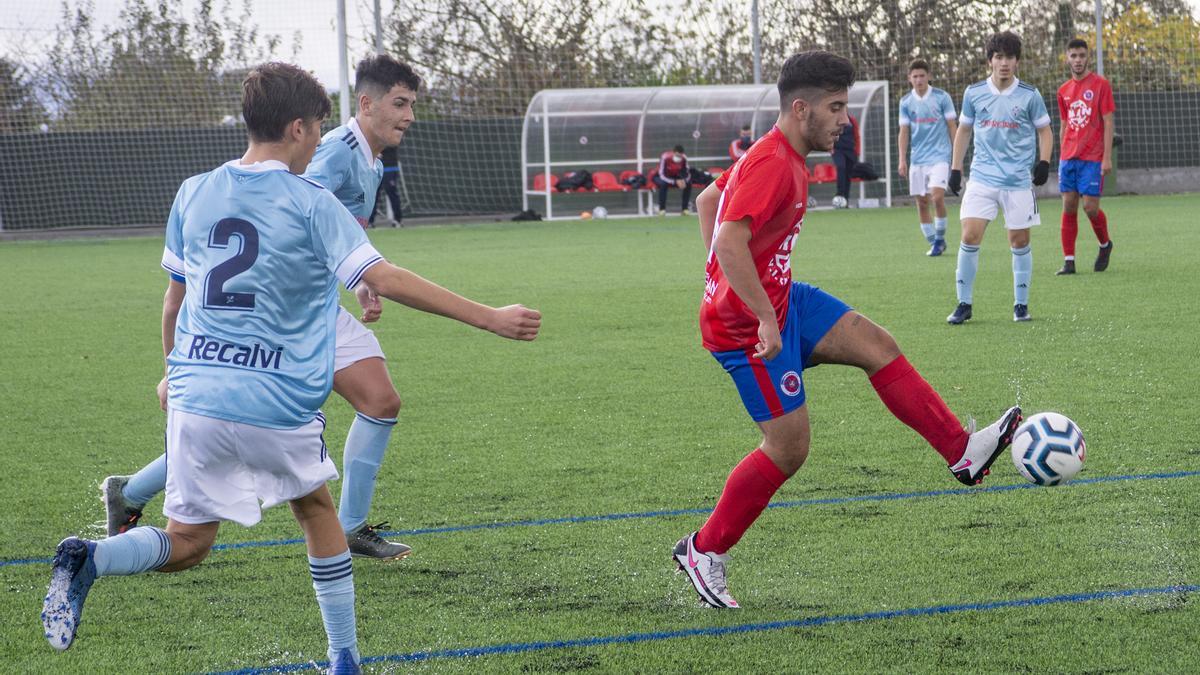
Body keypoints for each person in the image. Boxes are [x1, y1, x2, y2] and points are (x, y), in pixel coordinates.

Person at [40, 62, 540, 669]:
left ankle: (91, 555)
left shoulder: (193, 190)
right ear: (301, 128)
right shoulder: (310, 199)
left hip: (197, 393)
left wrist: (173, 370)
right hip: (274, 396)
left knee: (187, 542)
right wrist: (489, 316)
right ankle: (345, 658)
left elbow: (174, 299)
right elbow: (383, 275)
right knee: (316, 511)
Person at [679, 50, 1021, 609]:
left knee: (877, 346)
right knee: (788, 449)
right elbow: (726, 238)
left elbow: (708, 201)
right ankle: (704, 550)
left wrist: (725, 280)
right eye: (836, 108)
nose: (845, 119)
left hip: (783, 301)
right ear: (800, 108)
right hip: (747, 328)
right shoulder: (771, 164)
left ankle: (962, 453)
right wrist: (752, 307)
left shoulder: (776, 153)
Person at [102, 55, 431, 561]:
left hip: (314, 302)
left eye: (412, 104)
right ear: (364, 104)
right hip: (287, 311)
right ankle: (341, 530)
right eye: (400, 103)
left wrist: (360, 283)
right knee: (255, 414)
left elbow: (338, 237)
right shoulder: (332, 154)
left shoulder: (372, 156)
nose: (409, 115)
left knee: (377, 402)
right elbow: (284, 201)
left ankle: (347, 525)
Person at [947, 31, 1053, 324]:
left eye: (1009, 57)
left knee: (1018, 242)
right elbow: (964, 130)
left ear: (1017, 61)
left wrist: (1043, 162)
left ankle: (1021, 305)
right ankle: (963, 303)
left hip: (1018, 181)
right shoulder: (974, 93)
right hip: (982, 178)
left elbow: (1045, 130)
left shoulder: (1030, 95)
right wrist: (955, 168)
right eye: (998, 57)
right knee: (969, 235)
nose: (1004, 63)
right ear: (990, 61)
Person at [1056, 38, 1115, 275]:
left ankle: (1105, 244)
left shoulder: (1101, 85)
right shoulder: (1063, 90)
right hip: (1068, 158)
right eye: (1073, 56)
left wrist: (1107, 157)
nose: (1078, 60)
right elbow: (1063, 123)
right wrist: (1061, 155)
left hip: (1092, 157)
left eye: (1082, 55)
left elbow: (1108, 122)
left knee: (1090, 208)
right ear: (1067, 58)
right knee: (1069, 205)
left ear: (1087, 57)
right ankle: (1069, 261)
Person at [897, 59, 958, 256]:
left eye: (922, 75)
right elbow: (904, 131)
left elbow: (952, 126)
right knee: (921, 202)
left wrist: (957, 158)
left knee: (937, 196)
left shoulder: (941, 97)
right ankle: (934, 241)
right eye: (915, 76)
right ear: (909, 79)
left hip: (940, 156)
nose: (919, 79)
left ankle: (939, 240)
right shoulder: (906, 102)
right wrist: (902, 159)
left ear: (929, 76)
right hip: (918, 159)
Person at [369, 144, 403, 227]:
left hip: (390, 167)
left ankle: (397, 220)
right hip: (377, 168)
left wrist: (378, 149)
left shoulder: (392, 135)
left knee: (391, 193)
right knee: (373, 194)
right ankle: (370, 221)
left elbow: (394, 143)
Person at [654, 144, 692, 216]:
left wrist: (684, 180)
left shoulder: (684, 158)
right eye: (677, 155)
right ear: (673, 152)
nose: (679, 157)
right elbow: (661, 174)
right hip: (661, 177)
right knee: (663, 185)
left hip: (675, 177)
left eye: (680, 156)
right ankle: (662, 209)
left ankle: (685, 209)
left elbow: (687, 173)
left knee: (688, 184)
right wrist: (675, 182)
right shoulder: (665, 157)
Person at [831, 112, 859, 207]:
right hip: (838, 150)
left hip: (850, 151)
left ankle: (845, 200)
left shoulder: (852, 121)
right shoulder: (834, 121)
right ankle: (840, 194)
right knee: (841, 167)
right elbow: (830, 134)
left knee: (848, 175)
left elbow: (856, 136)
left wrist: (857, 151)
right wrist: (830, 147)